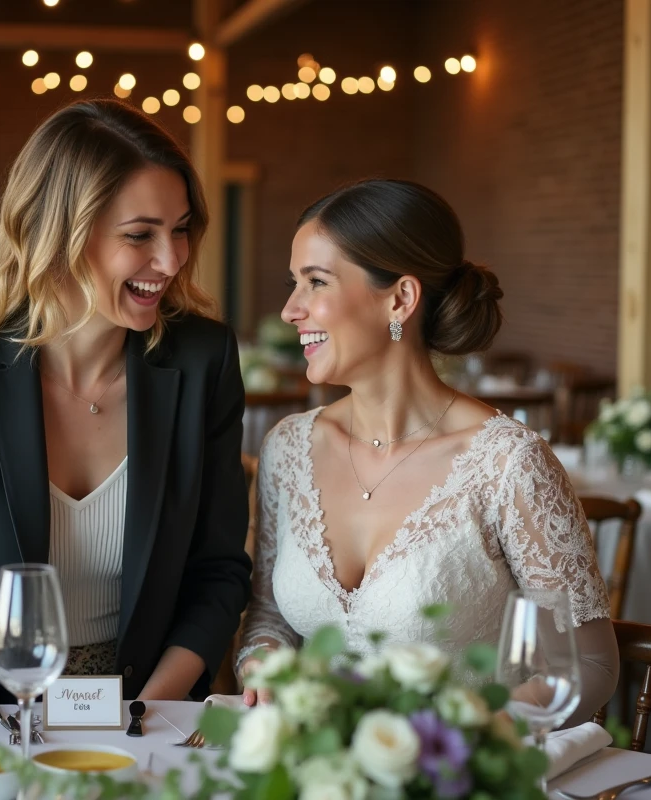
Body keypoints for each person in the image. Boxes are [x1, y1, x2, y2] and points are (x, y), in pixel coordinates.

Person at [0, 99, 252, 703]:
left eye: (181, 228)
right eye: (140, 235)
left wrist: (147, 708)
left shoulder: (202, 358)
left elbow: (217, 572)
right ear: (58, 234)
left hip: (147, 709)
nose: (173, 259)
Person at [236, 179, 617, 723]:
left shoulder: (509, 464)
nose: (290, 310)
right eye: (294, 283)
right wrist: (263, 666)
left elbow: (588, 669)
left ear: (400, 298)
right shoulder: (287, 448)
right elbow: (270, 614)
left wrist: (459, 732)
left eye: (315, 282)